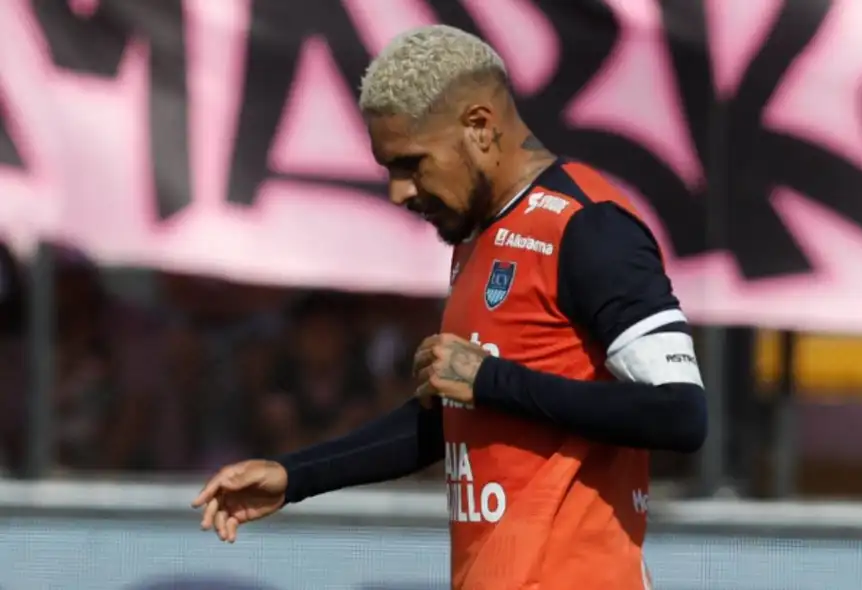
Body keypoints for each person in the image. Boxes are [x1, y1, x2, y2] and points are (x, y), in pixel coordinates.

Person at [192, 25, 707, 589]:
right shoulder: (479, 236)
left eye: (412, 164)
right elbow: (452, 423)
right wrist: (294, 476)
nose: (399, 192)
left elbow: (679, 413)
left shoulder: (589, 226)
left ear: (479, 127)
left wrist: (492, 380)